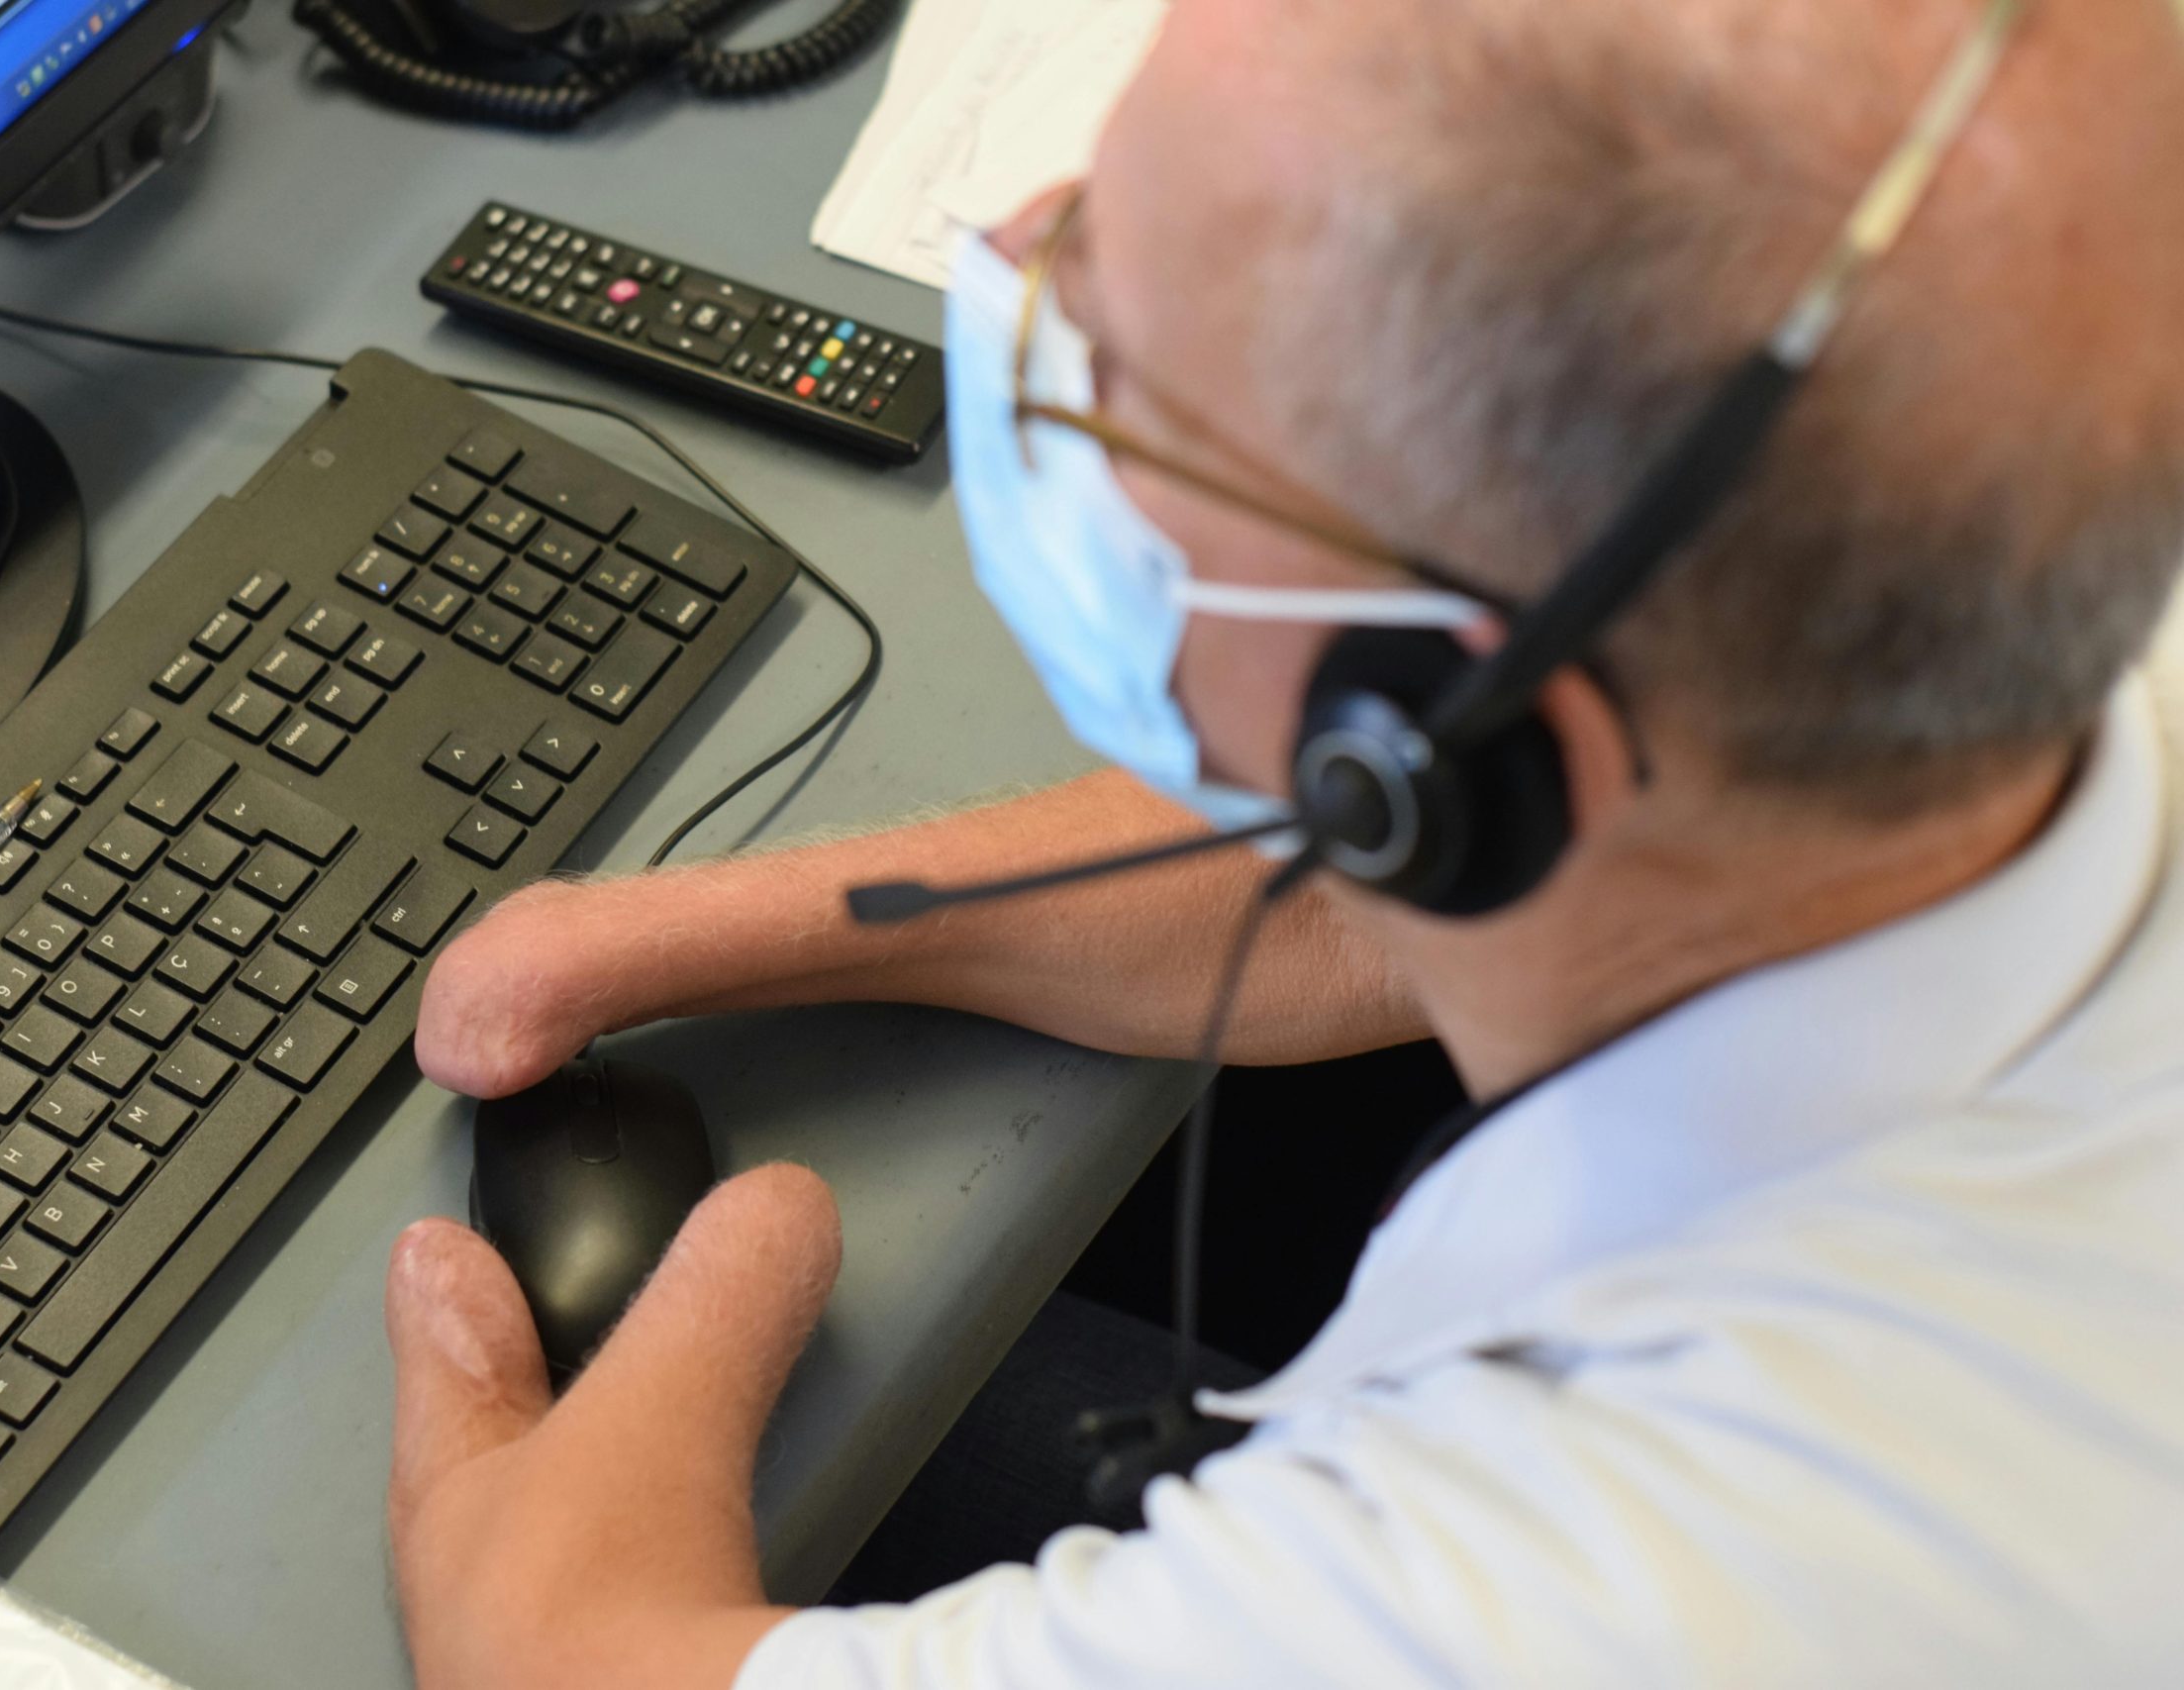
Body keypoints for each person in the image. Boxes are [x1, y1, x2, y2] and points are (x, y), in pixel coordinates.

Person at [382, 0, 2184, 1683]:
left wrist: (717, 1275)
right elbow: (1364, 901)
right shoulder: (2021, 534)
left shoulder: (1589, 1581)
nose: (1015, 259)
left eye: (1120, 328)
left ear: (1413, 732)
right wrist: (680, 930)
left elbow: (563, 1650)